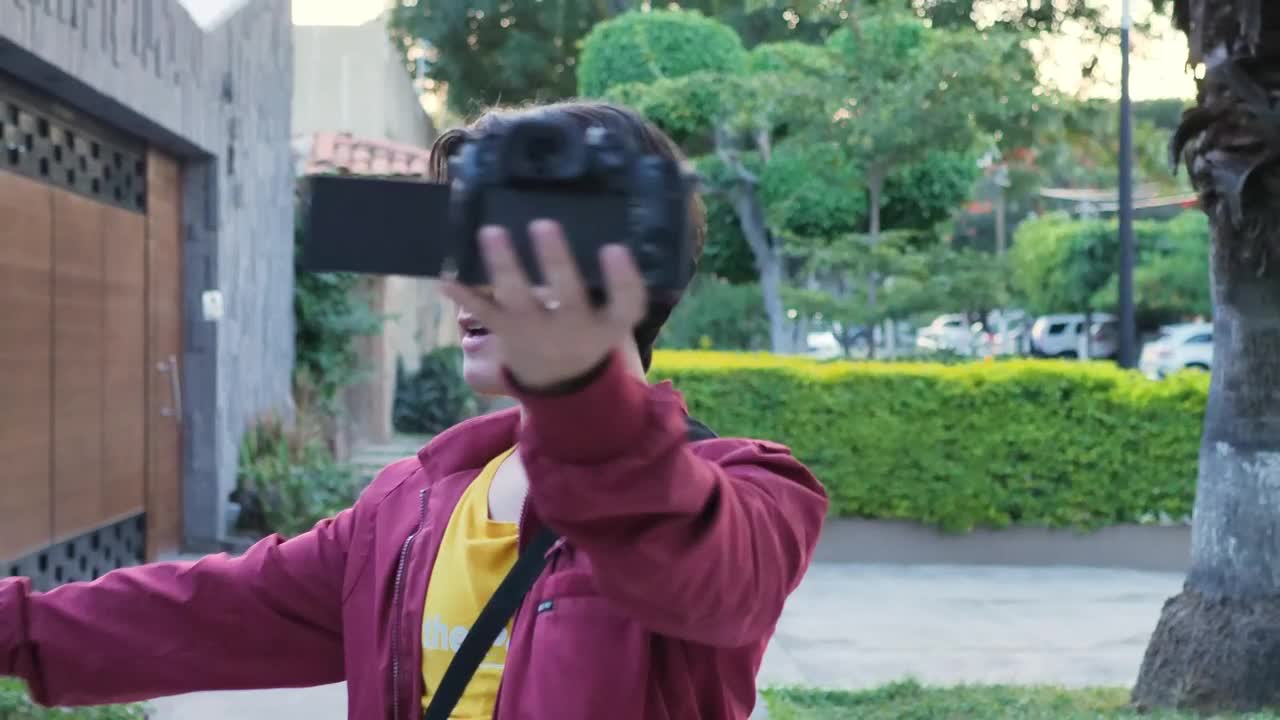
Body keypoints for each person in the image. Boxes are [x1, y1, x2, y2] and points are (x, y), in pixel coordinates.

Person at [0, 101, 828, 720]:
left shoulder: (754, 493)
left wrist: (577, 387)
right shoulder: (411, 503)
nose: (459, 280)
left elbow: (701, 570)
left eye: (505, 240)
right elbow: (202, 614)